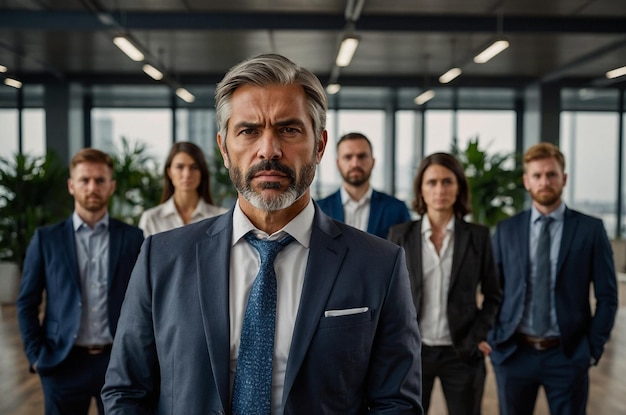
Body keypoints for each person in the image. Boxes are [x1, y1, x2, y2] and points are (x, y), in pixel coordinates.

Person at [101, 53, 423, 414]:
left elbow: (396, 403)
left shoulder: (380, 263)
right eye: (249, 130)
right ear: (224, 148)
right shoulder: (161, 258)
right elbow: (126, 391)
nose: (268, 150)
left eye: (288, 129)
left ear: (319, 145)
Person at [488, 142, 618, 415]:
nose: (544, 181)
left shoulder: (590, 230)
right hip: (514, 354)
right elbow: (493, 290)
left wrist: (591, 349)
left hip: (568, 354)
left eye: (551, 174)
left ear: (564, 178)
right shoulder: (506, 230)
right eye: (537, 175)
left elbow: (607, 297)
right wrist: (494, 338)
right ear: (526, 181)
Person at [16, 148, 144, 415]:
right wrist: (36, 356)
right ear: (71, 186)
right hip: (62, 362)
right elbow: (27, 301)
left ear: (111, 186)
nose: (92, 187)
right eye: (84, 180)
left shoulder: (133, 238)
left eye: (100, 180)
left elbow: (145, 301)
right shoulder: (46, 239)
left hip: (117, 362)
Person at [388, 153, 501, 415]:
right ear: (421, 190)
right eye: (432, 182)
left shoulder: (478, 236)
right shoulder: (400, 235)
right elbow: (389, 296)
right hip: (413, 353)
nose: (440, 189)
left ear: (459, 187)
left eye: (447, 182)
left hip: (462, 353)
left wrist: (478, 336)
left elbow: (493, 294)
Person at [316, 132, 411, 238]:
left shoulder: (396, 209)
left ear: (373, 162)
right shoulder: (319, 210)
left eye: (362, 156)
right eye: (348, 157)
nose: (355, 163)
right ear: (338, 164)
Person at [138, 141, 227, 236]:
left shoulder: (221, 217)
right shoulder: (152, 219)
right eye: (180, 167)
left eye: (194, 167)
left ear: (202, 172)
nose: (187, 174)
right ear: (169, 172)